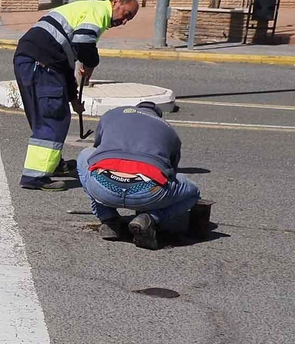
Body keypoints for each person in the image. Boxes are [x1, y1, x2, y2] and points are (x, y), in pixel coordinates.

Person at [13, 0, 139, 189]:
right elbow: (84, 44)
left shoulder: (88, 11)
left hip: (37, 61)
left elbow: (65, 64)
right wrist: (91, 63)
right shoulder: (98, 12)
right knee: (52, 117)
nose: (124, 21)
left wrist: (72, 98)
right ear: (116, 2)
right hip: (41, 63)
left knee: (48, 114)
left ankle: (51, 164)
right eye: (126, 14)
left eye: (129, 19)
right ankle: (34, 177)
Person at [76, 101, 207, 249]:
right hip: (147, 191)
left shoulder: (113, 114)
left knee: (85, 155)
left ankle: (109, 220)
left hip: (103, 186)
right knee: (193, 192)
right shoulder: (168, 130)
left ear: (136, 108)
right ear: (158, 116)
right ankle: (150, 217)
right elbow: (171, 172)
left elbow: (97, 146)